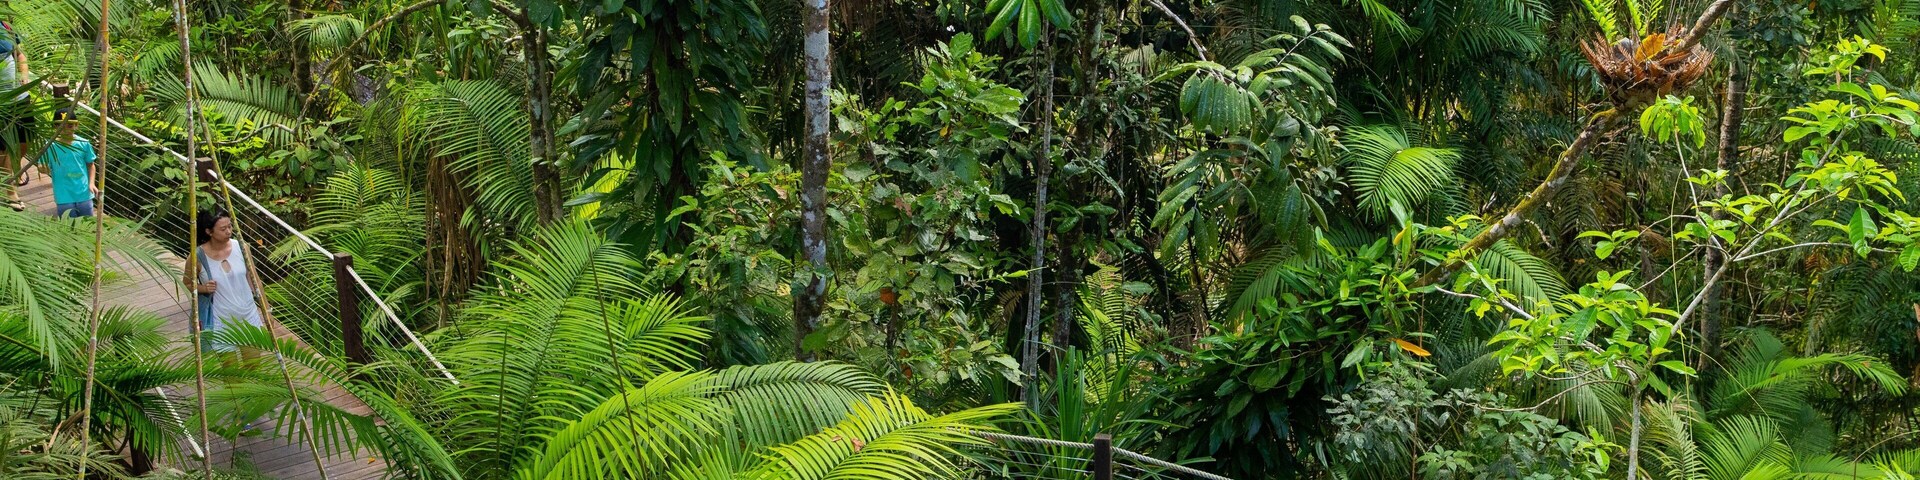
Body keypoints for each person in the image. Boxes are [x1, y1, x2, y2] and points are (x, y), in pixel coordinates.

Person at [188, 211, 267, 354]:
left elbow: (255, 280)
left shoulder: (242, 247)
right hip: (220, 320)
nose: (229, 231)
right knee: (230, 367)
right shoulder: (197, 257)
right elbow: (187, 283)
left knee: (254, 364)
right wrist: (204, 288)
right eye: (223, 229)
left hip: (248, 315)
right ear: (209, 231)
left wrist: (267, 311)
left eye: (230, 226)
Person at [34, 108, 93, 218]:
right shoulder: (50, 145)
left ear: (76, 125)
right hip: (63, 194)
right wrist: (42, 168)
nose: (66, 130)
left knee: (87, 223)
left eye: (69, 126)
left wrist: (92, 183)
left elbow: (91, 165)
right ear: (55, 127)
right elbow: (41, 165)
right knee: (68, 224)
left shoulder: (84, 143)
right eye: (61, 126)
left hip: (84, 192)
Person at [1, 19, 32, 212]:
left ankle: (15, 169)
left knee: (24, 141)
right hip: (1, 103)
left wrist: (24, 76)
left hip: (20, 97)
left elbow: (20, 56)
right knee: (5, 147)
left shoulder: (5, 26)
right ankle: (11, 191)